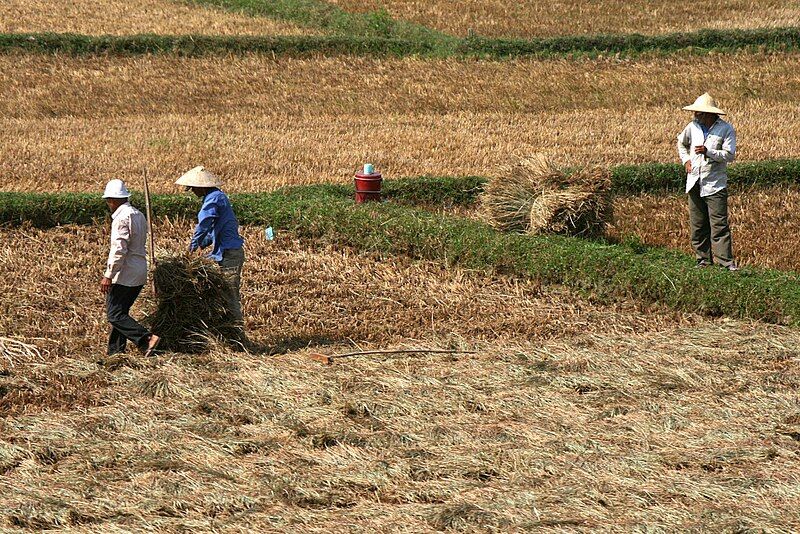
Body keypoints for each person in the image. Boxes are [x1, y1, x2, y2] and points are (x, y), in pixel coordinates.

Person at [175, 166, 246, 332]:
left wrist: (191, 248)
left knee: (230, 294)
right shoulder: (215, 197)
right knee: (224, 293)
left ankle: (238, 333)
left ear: (201, 187)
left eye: (193, 189)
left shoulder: (214, 199)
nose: (193, 192)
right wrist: (201, 244)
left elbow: (204, 224)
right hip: (225, 252)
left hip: (230, 254)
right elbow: (211, 232)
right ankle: (228, 330)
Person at [677, 93, 738, 271]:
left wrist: (708, 152)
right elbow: (681, 143)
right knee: (698, 224)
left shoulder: (726, 129)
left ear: (709, 114)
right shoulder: (692, 127)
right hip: (694, 180)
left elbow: (729, 155)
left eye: (699, 113)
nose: (696, 115)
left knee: (718, 225)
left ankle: (725, 263)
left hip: (715, 184)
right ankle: (702, 260)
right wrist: (686, 160)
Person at [101, 179, 161, 356]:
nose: (108, 204)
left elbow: (119, 249)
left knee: (114, 315)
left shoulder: (121, 218)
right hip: (140, 270)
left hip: (126, 273)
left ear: (113, 200)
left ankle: (146, 339)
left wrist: (109, 275)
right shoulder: (138, 214)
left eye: (108, 200)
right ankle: (115, 353)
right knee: (121, 313)